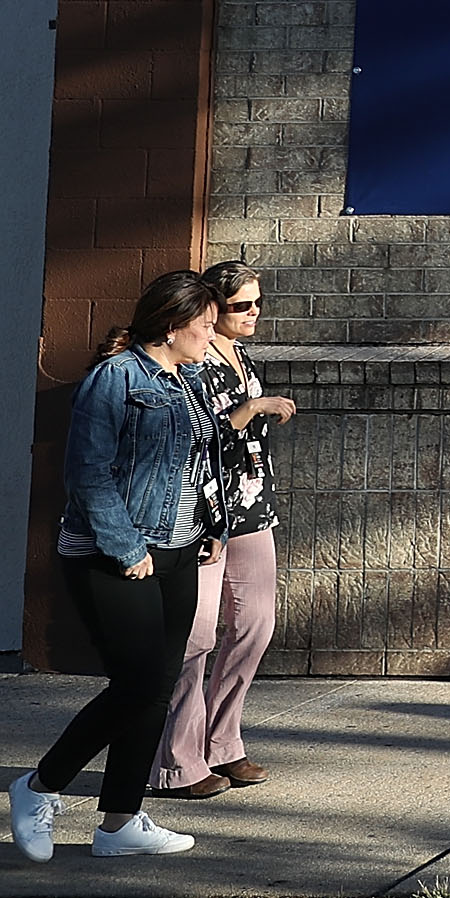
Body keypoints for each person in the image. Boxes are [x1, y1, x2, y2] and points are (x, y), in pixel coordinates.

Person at [9, 271, 229, 860]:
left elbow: (198, 463)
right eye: (205, 325)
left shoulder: (191, 380)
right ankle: (39, 787)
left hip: (179, 551)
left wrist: (212, 524)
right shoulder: (117, 378)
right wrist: (127, 548)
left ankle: (120, 824)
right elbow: (87, 472)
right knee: (137, 685)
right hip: (118, 554)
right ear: (171, 325)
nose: (212, 335)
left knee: (156, 690)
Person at [152, 260, 297, 799]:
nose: (253, 312)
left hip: (251, 506)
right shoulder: (193, 357)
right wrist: (253, 407)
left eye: (258, 303)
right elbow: (199, 433)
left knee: (255, 625)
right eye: (241, 305)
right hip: (202, 512)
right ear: (212, 306)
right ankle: (177, 761)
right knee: (196, 635)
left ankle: (223, 742)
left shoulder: (241, 353)